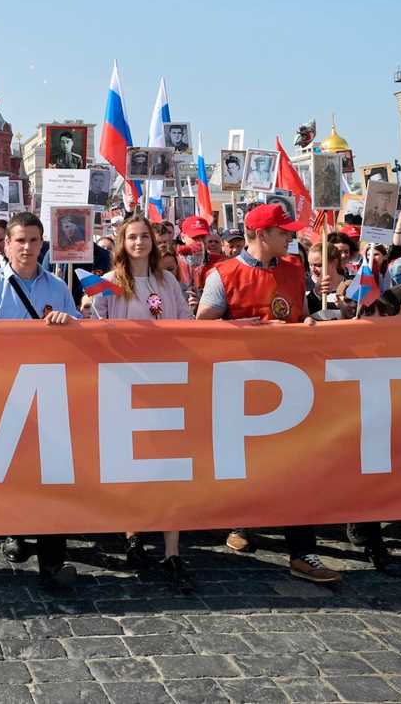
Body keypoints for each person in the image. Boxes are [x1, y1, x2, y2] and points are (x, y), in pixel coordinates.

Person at [196, 203, 341, 583]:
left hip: (291, 384)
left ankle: (302, 551)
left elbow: (301, 313)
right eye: (283, 232)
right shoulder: (222, 275)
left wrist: (308, 321)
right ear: (262, 236)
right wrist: (245, 328)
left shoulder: (294, 270)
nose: (290, 236)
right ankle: (240, 522)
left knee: (297, 468)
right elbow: (201, 330)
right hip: (242, 385)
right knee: (247, 463)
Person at [0, 212, 80, 590]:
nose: (27, 247)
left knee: (53, 475)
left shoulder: (57, 288)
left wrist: (70, 324)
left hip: (50, 392)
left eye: (34, 241)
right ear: (7, 244)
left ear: (41, 244)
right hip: (7, 393)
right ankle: (15, 532)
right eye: (20, 240)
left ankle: (53, 560)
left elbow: (81, 335)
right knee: (14, 470)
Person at [89, 216, 195, 589]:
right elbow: (96, 324)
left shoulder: (168, 282)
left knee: (170, 469)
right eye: (131, 237)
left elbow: (186, 324)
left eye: (144, 237)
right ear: (122, 242)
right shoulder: (112, 283)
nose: (138, 243)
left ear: (153, 241)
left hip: (165, 385)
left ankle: (172, 551)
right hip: (127, 385)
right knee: (131, 464)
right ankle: (132, 534)